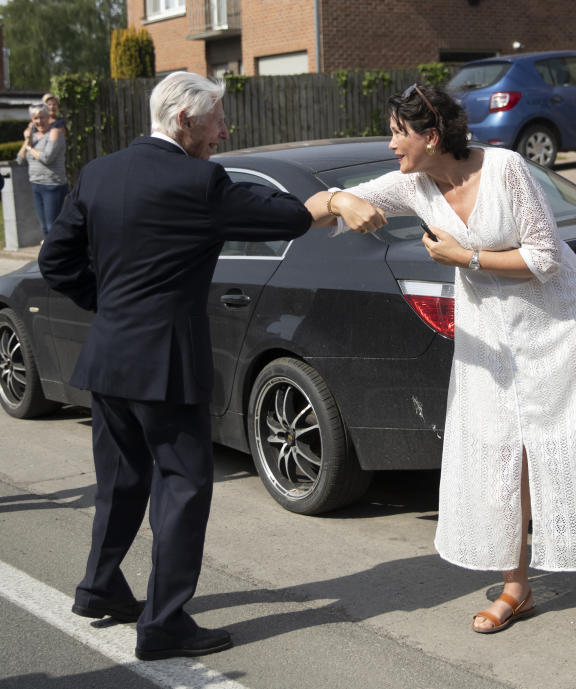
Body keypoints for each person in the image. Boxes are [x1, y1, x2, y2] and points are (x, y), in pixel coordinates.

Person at [325, 84, 576, 633]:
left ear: (431, 137)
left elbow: (547, 258)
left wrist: (466, 257)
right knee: (502, 453)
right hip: (492, 344)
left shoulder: (505, 168)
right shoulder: (412, 185)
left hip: (562, 327)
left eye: (397, 133)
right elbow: (320, 208)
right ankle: (516, 588)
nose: (390, 144)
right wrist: (341, 199)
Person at [36, 71, 346, 661]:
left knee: (120, 483)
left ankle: (99, 586)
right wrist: (333, 200)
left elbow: (56, 260)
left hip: (108, 359)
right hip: (166, 365)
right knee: (181, 489)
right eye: (216, 122)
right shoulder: (200, 181)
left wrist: (110, 307)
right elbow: (287, 218)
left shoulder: (99, 173)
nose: (223, 133)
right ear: (184, 120)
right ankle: (165, 623)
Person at [16, 102, 68, 237]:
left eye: (42, 117)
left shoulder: (55, 133)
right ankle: (50, 255)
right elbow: (19, 159)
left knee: (53, 226)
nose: (39, 121)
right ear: (32, 121)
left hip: (52, 186)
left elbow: (47, 157)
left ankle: (59, 255)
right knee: (44, 227)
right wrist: (27, 140)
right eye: (35, 118)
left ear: (48, 118)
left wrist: (29, 148)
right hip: (36, 184)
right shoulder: (32, 138)